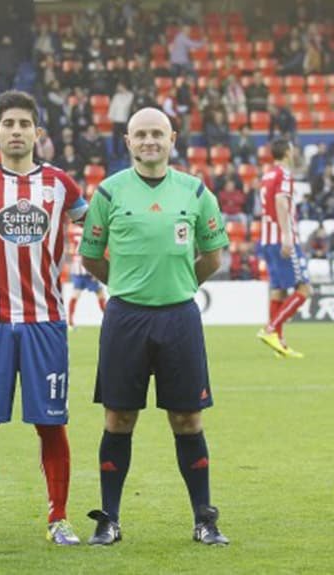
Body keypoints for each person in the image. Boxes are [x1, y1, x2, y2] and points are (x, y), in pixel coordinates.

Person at [79, 107, 230, 546]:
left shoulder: (196, 191)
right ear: (127, 141)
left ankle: (204, 517)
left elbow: (213, 255)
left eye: (157, 134)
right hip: (125, 317)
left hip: (179, 317)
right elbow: (91, 256)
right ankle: (109, 518)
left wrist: (180, 285)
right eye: (141, 134)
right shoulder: (108, 193)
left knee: (187, 418)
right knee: (118, 417)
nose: (149, 141)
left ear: (172, 139)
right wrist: (127, 287)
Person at [0, 90, 86, 546]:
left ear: (37, 132)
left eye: (25, 124)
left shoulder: (62, 185)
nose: (17, 131)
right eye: (9, 123)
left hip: (46, 322)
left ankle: (59, 518)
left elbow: (95, 227)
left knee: (51, 423)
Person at [256, 137, 311, 358]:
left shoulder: (267, 175)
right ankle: (270, 329)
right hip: (282, 239)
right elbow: (281, 201)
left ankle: (279, 342)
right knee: (304, 289)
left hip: (267, 239)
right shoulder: (283, 174)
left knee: (278, 289)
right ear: (287, 152)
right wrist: (288, 236)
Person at [67, 222, 106, 329]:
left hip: (77, 268)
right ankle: (109, 321)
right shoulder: (90, 230)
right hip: (89, 268)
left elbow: (71, 250)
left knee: (75, 295)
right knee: (100, 294)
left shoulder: (73, 231)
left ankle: (70, 321)